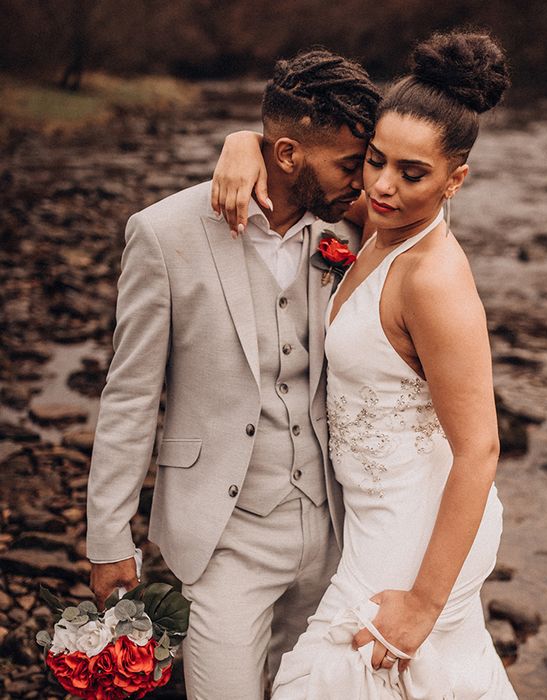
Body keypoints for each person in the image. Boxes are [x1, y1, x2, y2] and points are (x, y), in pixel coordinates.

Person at [212, 30, 518, 698]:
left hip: (414, 526)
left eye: (413, 174)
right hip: (374, 515)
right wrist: (244, 144)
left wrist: (423, 604)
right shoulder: (378, 222)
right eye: (375, 160)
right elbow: (299, 164)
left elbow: (482, 449)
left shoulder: (433, 279)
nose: (381, 186)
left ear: (455, 180)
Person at [85, 49, 381, 699]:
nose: (363, 183)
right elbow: (131, 394)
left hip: (334, 536)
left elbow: (432, 217)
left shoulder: (350, 228)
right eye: (350, 166)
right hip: (225, 541)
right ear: (286, 156)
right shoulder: (163, 234)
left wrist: (242, 138)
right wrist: (108, 536)